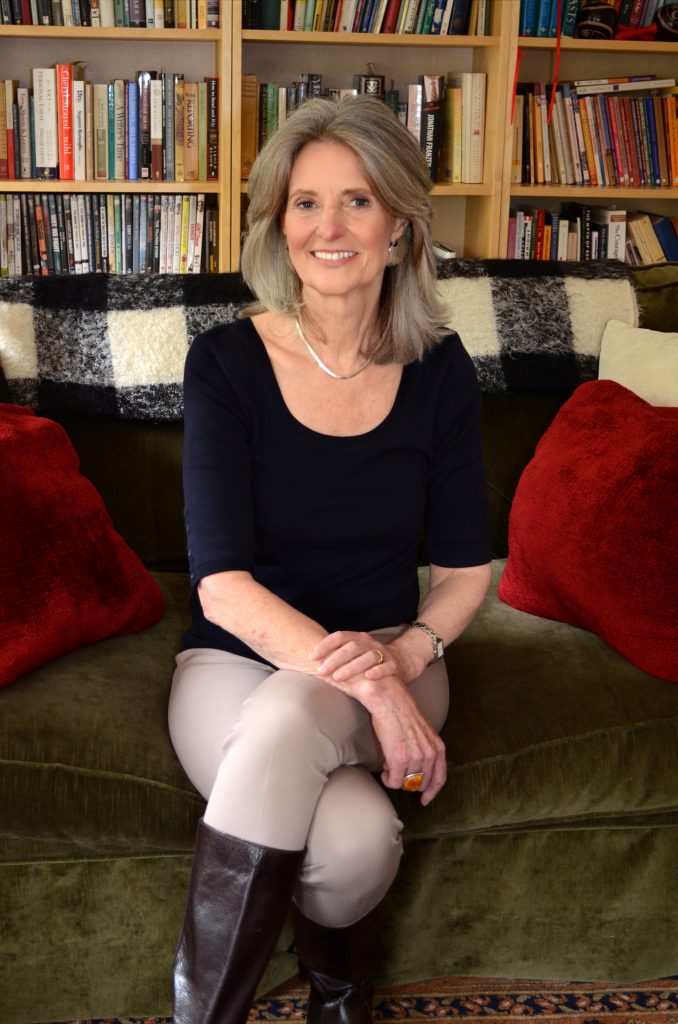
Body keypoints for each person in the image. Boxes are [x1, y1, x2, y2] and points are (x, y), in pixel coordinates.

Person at [168, 95, 492, 1024]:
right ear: (280, 224)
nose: (329, 227)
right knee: (353, 844)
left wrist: (405, 659)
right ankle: (340, 1000)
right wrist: (376, 691)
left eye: (357, 201)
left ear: (400, 226)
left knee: (292, 722)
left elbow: (466, 571)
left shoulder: (441, 369)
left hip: (402, 646)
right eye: (305, 203)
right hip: (237, 661)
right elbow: (223, 587)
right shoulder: (225, 363)